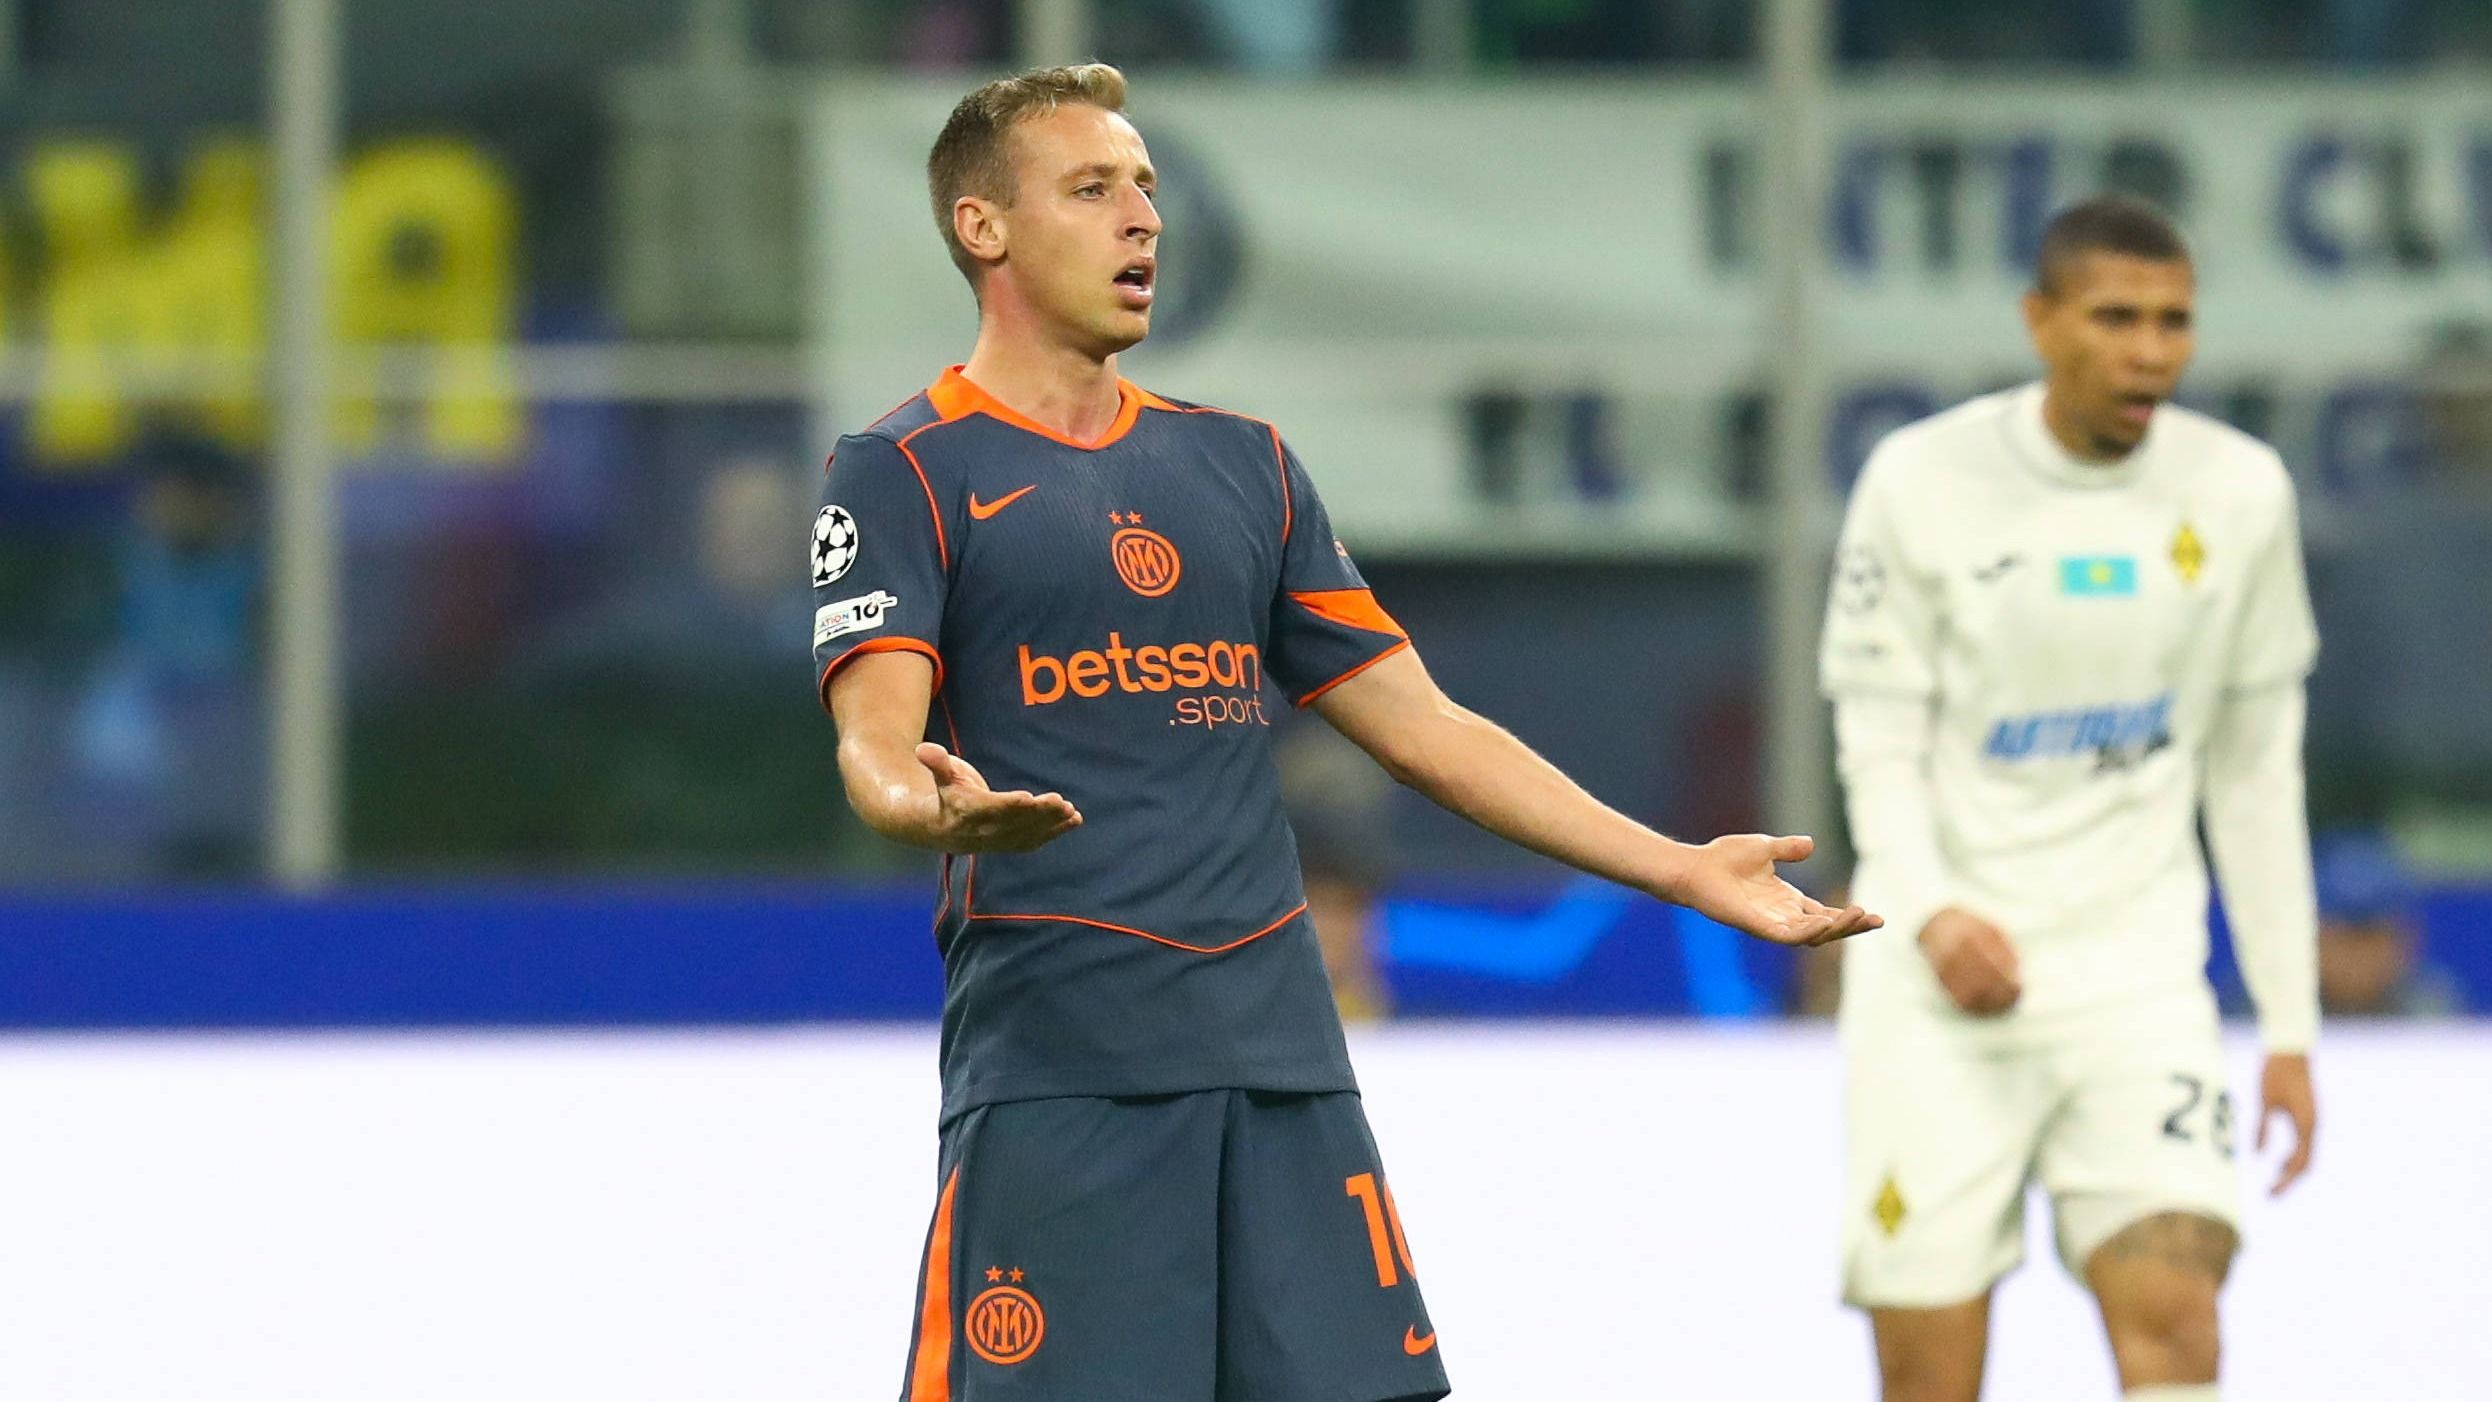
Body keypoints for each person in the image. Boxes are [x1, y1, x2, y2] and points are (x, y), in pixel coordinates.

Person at [814, 63, 1879, 1402]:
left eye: (1145, 186)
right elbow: (876, 737)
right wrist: (920, 804)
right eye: (1092, 189)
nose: (1143, 218)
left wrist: (1676, 864)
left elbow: (1425, 726)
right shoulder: (903, 467)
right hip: (1064, 1068)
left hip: (1282, 1061)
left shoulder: (1242, 464)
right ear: (984, 228)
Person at [1820, 195, 2320, 1402]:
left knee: (2177, 1316)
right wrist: (1932, 914)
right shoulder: (1920, 478)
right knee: (1927, 1374)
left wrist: (2288, 1026)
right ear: (2038, 321)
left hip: (2133, 979)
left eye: (2172, 321)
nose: (2148, 350)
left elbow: (2254, 773)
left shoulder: (2239, 491)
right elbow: (1876, 740)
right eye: (2114, 317)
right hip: (1936, 990)